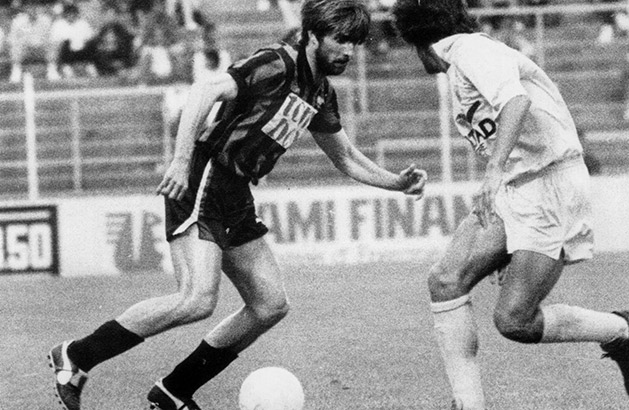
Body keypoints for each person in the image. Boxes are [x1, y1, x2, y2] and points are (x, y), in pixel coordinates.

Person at [48, 1, 427, 410]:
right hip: (205, 175)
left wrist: (397, 183)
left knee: (269, 304)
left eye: (354, 43)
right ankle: (77, 355)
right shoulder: (277, 63)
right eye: (341, 40)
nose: (348, 51)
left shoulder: (319, 92)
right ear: (312, 36)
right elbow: (205, 90)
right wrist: (180, 160)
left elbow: (346, 157)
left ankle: (173, 391)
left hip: (236, 191)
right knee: (195, 299)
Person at [391, 1, 629, 409]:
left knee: (514, 321)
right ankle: (467, 403)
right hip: (517, 186)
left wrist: (492, 173)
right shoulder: (463, 61)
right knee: (445, 280)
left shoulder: (472, 51)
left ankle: (621, 330)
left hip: (548, 183)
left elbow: (515, 101)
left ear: (418, 40)